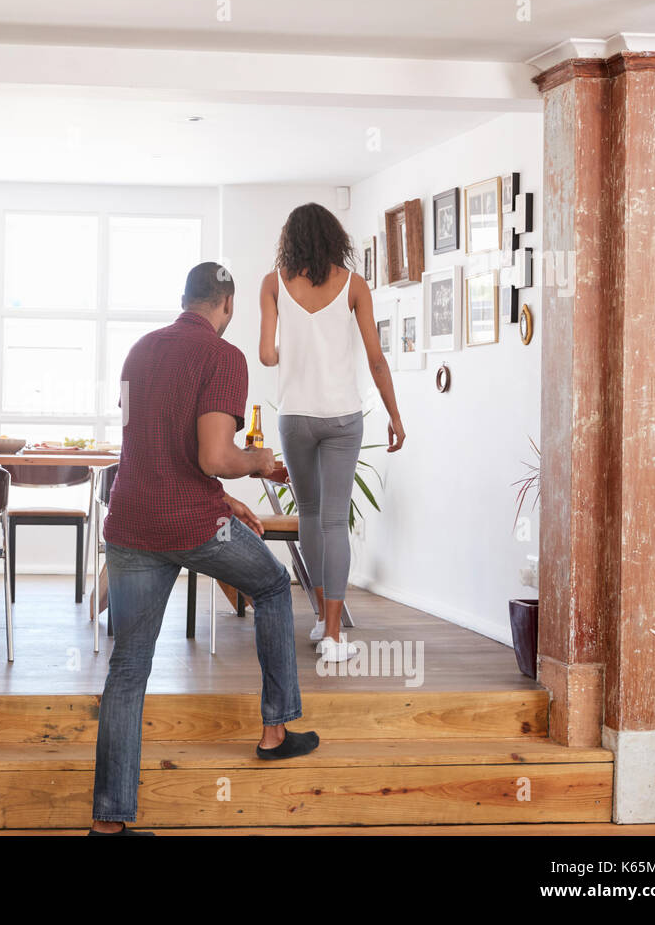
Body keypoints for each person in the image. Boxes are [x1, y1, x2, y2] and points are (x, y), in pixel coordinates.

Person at [90, 262, 319, 836]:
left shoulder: (139, 351)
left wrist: (223, 498)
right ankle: (274, 732)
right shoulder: (224, 357)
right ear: (229, 305)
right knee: (269, 586)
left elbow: (158, 445)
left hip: (132, 522)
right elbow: (215, 457)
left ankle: (108, 824)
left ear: (184, 298)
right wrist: (259, 464)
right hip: (191, 524)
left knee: (127, 670)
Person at [258, 203, 406, 662]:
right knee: (334, 520)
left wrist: (295, 346)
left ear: (291, 239)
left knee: (309, 513)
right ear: (333, 239)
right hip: (343, 418)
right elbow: (376, 358)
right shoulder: (354, 285)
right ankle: (335, 637)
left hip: (295, 416)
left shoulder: (273, 283)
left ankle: (322, 616)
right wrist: (394, 415)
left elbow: (266, 356)